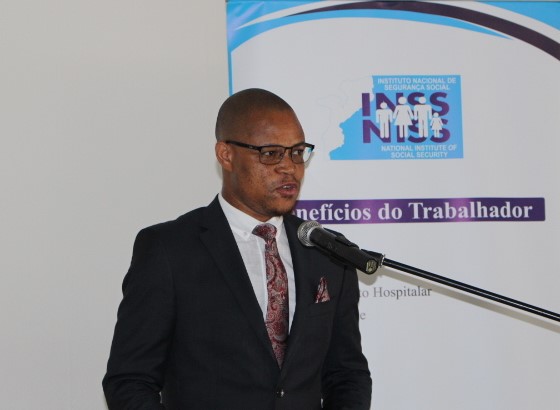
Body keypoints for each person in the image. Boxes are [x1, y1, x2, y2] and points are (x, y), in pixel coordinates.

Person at [102, 88, 372, 409]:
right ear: (226, 154)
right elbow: (130, 381)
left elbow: (347, 374)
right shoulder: (169, 250)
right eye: (271, 154)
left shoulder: (327, 252)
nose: (289, 167)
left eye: (297, 152)